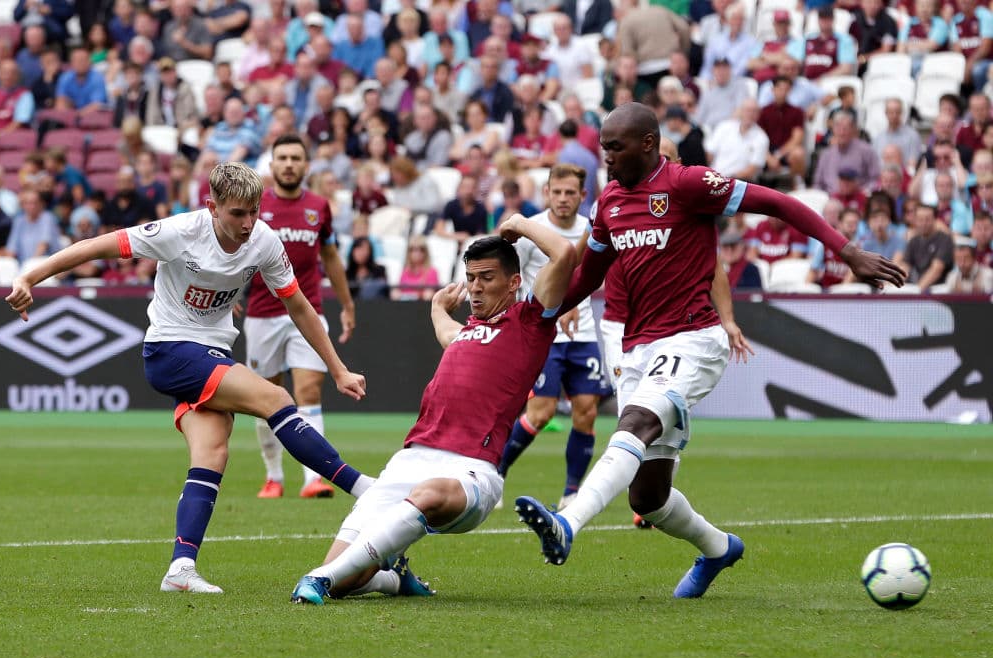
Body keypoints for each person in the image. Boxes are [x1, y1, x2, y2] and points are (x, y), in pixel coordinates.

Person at [513, 102, 905, 598]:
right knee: (648, 497)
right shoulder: (610, 202)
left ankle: (566, 524)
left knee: (635, 421)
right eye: (604, 147)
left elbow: (778, 203)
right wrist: (535, 315)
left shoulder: (688, 184)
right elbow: (587, 276)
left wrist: (845, 251)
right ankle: (719, 548)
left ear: (648, 144)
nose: (606, 157)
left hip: (693, 338)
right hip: (637, 348)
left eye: (616, 147)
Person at [5, 162, 374, 594]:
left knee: (212, 452)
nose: (248, 223)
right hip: (170, 351)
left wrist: (337, 368)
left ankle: (180, 568)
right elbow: (93, 247)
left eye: (254, 212)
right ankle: (365, 488)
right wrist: (29, 277)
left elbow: (299, 306)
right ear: (212, 207)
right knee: (275, 398)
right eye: (237, 213)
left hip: (213, 354)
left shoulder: (264, 241)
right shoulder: (179, 231)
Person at [290, 215, 577, 605]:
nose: (476, 287)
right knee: (347, 578)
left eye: (487, 278)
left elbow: (565, 253)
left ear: (514, 282)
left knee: (426, 497)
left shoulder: (529, 322)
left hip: (470, 470)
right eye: (471, 277)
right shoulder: (467, 331)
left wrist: (519, 224)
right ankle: (391, 579)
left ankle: (318, 578)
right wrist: (437, 307)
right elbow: (446, 330)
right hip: (411, 459)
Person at [242, 134, 357, 500]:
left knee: (308, 391)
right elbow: (234, 249)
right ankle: (273, 476)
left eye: (295, 158)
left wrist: (347, 304)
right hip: (262, 315)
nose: (289, 164)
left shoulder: (319, 207)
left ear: (306, 166)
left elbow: (331, 257)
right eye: (283, 158)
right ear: (272, 165)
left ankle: (313, 478)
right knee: (265, 396)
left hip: (307, 313)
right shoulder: (255, 206)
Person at [497, 164, 609, 510]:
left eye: (570, 193)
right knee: (541, 413)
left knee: (586, 413)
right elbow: (511, 280)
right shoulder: (533, 230)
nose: (562, 198)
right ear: (546, 193)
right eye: (556, 192)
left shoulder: (592, 230)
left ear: (582, 196)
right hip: (543, 335)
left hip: (584, 334)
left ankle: (571, 492)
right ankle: (496, 473)